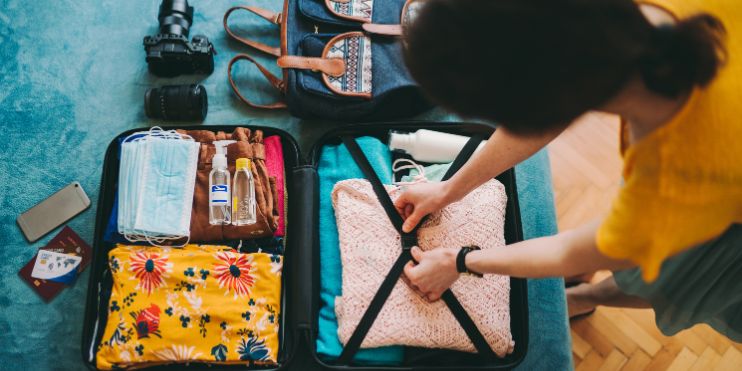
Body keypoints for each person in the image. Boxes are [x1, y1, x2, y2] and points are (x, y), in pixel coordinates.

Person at [396, 0, 742, 341]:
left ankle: (582, 298)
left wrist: (459, 261)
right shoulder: (596, 39)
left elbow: (579, 249)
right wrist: (448, 189)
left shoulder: (675, 180)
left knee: (673, 281)